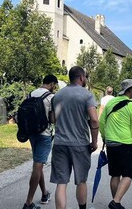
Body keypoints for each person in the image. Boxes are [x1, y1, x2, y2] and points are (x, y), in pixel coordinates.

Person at [50, 66, 99, 209]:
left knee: (61, 182)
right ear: (81, 77)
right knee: (81, 181)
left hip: (60, 143)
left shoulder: (57, 96)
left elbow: (53, 119)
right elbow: (94, 120)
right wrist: (94, 141)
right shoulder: (87, 95)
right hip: (80, 144)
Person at [99, 79, 132, 209]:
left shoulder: (111, 102)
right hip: (125, 143)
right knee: (129, 173)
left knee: (115, 174)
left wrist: (105, 137)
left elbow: (101, 122)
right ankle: (116, 201)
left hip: (111, 143)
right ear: (129, 90)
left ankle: (116, 202)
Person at [22, 74, 58, 209]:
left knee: (38, 163)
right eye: (55, 85)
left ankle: (44, 193)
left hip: (31, 133)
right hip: (44, 134)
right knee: (38, 166)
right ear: (52, 84)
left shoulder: (31, 94)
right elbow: (53, 119)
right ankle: (28, 202)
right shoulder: (51, 97)